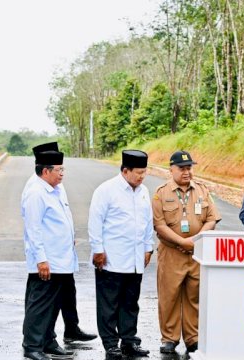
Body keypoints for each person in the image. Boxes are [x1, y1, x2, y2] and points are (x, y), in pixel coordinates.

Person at [152, 150, 221, 354]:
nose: (186, 172)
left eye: (189, 168)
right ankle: (169, 338)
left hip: (196, 254)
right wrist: (182, 241)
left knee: (194, 296)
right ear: (171, 169)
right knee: (169, 296)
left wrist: (194, 240)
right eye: (182, 168)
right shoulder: (161, 193)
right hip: (171, 252)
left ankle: (193, 337)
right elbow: (159, 224)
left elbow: (211, 219)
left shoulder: (202, 190)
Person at [88, 150, 155, 360]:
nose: (142, 176)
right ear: (125, 171)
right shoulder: (106, 190)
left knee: (130, 303)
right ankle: (110, 344)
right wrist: (98, 250)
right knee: (109, 304)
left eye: (144, 172)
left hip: (135, 259)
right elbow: (95, 222)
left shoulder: (143, 191)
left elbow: (147, 223)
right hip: (111, 258)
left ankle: (129, 341)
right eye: (138, 172)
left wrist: (148, 247)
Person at [20, 142, 77, 360]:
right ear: (45, 171)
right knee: (40, 304)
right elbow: (33, 230)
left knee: (53, 303)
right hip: (47, 260)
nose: (62, 173)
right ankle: (32, 345)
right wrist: (41, 260)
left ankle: (47, 340)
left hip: (61, 257)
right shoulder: (36, 193)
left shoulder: (54, 188)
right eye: (59, 170)